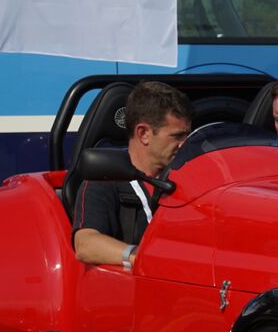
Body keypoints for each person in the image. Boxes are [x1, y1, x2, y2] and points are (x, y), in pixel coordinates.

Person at [73, 81, 193, 268]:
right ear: (143, 133)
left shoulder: (188, 177)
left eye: (188, 136)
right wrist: (142, 258)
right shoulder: (105, 179)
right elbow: (85, 244)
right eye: (177, 136)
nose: (184, 144)